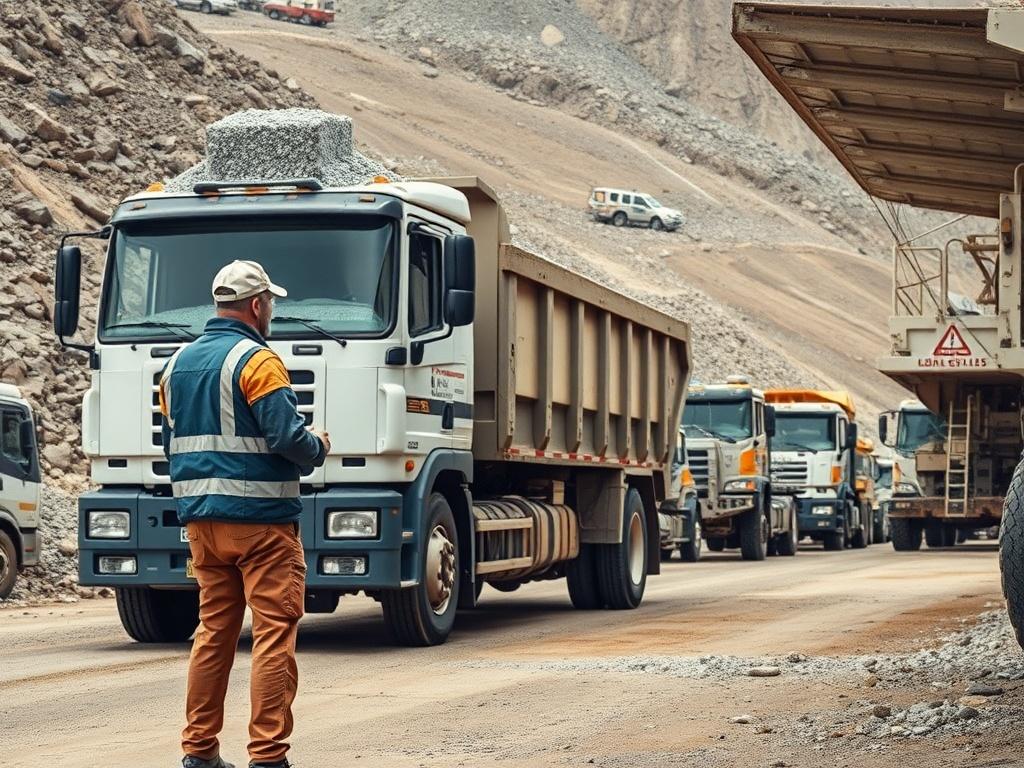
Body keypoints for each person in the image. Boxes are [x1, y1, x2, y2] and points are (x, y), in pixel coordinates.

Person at [159, 260, 330, 768]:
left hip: (202, 526)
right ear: (257, 305)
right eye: (271, 303)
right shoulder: (258, 361)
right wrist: (317, 445)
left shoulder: (177, 365)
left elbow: (180, 443)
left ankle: (199, 753)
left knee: (213, 633)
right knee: (275, 633)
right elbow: (287, 439)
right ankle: (269, 757)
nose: (271, 310)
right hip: (262, 525)